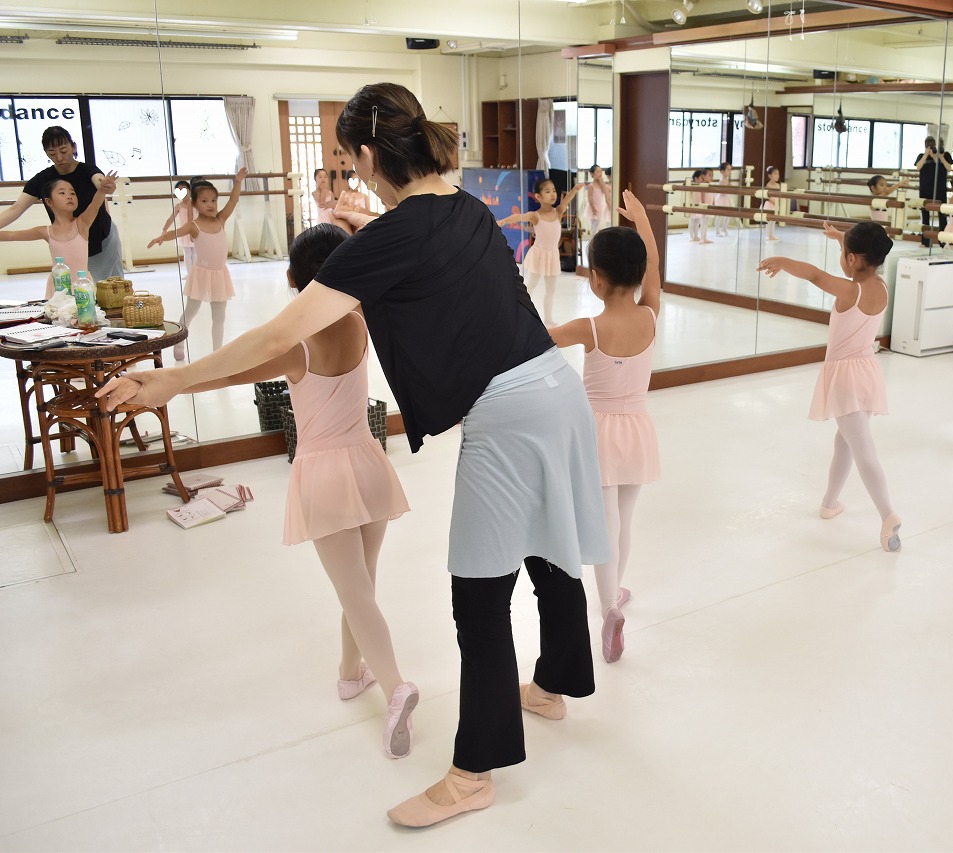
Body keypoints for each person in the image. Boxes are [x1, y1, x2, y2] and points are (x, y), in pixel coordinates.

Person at [97, 81, 609, 829]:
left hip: (507, 415)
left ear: (368, 156)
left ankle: (472, 773)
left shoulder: (392, 235)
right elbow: (422, 249)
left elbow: (280, 334)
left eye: (349, 159)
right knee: (549, 550)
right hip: (557, 392)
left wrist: (174, 378)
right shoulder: (464, 206)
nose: (349, 172)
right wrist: (369, 228)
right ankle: (554, 686)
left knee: (477, 592)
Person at [180, 223, 416, 758]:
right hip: (368, 462)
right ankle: (350, 673)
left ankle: (396, 687)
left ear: (291, 279)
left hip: (325, 474)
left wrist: (173, 383)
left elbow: (231, 374)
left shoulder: (298, 347)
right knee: (362, 586)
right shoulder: (359, 322)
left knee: (355, 592)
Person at [548, 189, 661, 664]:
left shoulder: (588, 328)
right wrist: (643, 222)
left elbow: (537, 340)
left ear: (595, 279)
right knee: (625, 519)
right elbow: (654, 269)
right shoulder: (650, 314)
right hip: (636, 429)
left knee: (604, 523)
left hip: (597, 433)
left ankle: (608, 605)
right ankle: (614, 592)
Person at [757, 222, 903, 553]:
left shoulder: (850, 292)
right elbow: (854, 262)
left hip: (845, 379)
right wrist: (842, 239)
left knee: (862, 449)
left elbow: (814, 275)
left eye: (843, 252)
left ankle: (887, 514)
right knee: (845, 443)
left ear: (852, 258)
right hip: (867, 372)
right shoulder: (880, 286)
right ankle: (829, 502)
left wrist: (782, 260)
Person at [148, 169, 248, 361]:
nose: (210, 204)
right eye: (204, 201)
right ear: (194, 203)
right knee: (191, 311)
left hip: (220, 275)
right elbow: (176, 232)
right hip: (201, 275)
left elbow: (233, 200)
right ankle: (178, 343)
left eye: (213, 200)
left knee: (219, 317)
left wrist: (237, 182)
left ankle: (217, 355)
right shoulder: (194, 225)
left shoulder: (220, 219)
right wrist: (162, 237)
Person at [0, 126, 123, 280]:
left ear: (74, 147)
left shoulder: (88, 170)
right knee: (75, 286)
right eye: (52, 153)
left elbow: (100, 184)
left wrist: (106, 185)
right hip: (69, 241)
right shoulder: (42, 180)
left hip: (102, 236)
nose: (59, 157)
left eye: (63, 151)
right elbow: (15, 209)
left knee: (110, 285)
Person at [0, 171, 118, 298]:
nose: (69, 196)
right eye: (62, 193)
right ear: (49, 201)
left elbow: (95, 205)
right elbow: (11, 235)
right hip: (58, 288)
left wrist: (102, 189)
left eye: (72, 193)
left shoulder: (82, 224)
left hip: (82, 286)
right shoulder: (45, 232)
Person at [497, 177, 586, 325]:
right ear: (538, 196)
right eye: (547, 191)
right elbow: (519, 217)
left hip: (552, 255)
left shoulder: (558, 212)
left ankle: (548, 319)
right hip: (539, 254)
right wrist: (504, 221)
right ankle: (519, 312)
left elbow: (566, 200)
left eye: (554, 191)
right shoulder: (535, 216)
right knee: (530, 285)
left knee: (551, 290)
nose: (552, 194)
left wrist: (575, 190)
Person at [914, 136, 953, 247]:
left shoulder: (945, 155)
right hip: (925, 189)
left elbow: (949, 168)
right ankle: (926, 241)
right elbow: (918, 167)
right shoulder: (921, 156)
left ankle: (943, 241)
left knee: (942, 215)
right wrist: (926, 155)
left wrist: (939, 157)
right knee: (925, 216)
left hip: (940, 189)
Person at [155, 180, 195, 270]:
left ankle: (195, 273)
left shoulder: (195, 204)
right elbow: (171, 219)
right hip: (184, 232)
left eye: (184, 189)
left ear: (190, 190)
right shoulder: (178, 206)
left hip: (194, 231)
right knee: (187, 253)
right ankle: (190, 273)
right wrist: (164, 230)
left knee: (195, 253)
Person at [585, 164, 611, 238]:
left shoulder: (602, 185)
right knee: (593, 226)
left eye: (601, 171)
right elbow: (590, 198)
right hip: (592, 207)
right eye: (598, 172)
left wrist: (601, 181)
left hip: (599, 207)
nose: (600, 173)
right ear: (592, 174)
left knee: (596, 226)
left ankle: (593, 239)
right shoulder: (591, 185)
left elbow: (605, 190)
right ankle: (592, 240)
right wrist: (593, 208)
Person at [714, 161, 733, 236]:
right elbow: (722, 190)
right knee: (719, 216)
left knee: (728, 214)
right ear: (722, 171)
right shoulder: (722, 180)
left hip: (725, 198)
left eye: (730, 170)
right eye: (728, 170)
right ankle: (717, 231)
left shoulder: (726, 179)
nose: (729, 171)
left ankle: (724, 227)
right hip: (721, 199)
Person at [762, 165, 781, 241]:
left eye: (778, 174)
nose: (777, 176)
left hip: (775, 204)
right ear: (770, 176)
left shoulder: (778, 185)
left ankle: (772, 235)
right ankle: (768, 235)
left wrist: (778, 202)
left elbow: (779, 195)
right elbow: (768, 196)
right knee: (769, 221)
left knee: (774, 220)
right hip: (770, 204)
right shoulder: (768, 185)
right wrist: (773, 201)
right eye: (775, 174)